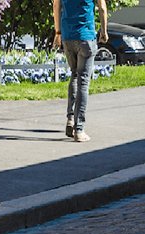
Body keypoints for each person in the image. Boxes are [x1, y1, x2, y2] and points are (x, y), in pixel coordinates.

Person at [53, 0, 108, 142]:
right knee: (83, 81)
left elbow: (56, 5)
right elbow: (101, 7)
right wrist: (104, 31)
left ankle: (70, 119)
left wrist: (58, 32)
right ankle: (79, 129)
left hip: (67, 36)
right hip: (86, 36)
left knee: (74, 74)